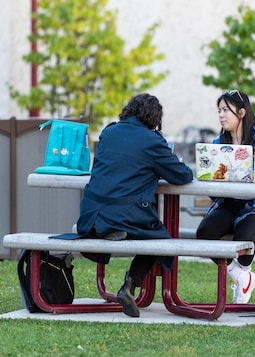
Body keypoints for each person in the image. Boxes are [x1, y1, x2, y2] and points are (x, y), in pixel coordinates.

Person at [76, 93, 194, 317]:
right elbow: (182, 176)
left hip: (91, 216)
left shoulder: (108, 133)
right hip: (124, 213)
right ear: (154, 118)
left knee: (150, 232)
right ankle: (130, 285)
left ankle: (115, 233)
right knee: (160, 240)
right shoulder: (152, 141)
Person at [195, 89, 255, 304]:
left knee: (244, 235)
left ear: (242, 112)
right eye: (219, 110)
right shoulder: (218, 143)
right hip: (228, 205)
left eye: (226, 110)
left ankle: (241, 281)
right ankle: (242, 276)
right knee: (204, 233)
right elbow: (212, 185)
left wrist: (251, 169)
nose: (221, 115)